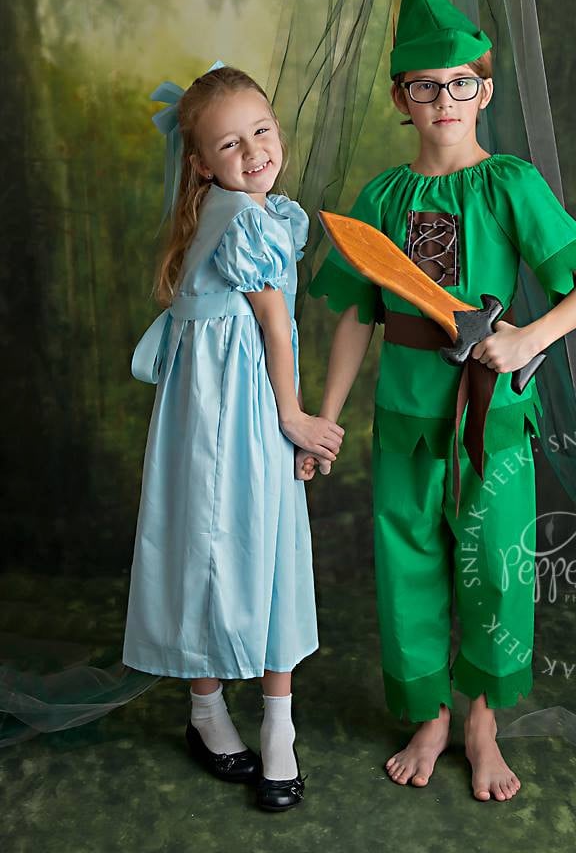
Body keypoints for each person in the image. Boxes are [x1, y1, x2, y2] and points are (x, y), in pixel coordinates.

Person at [304, 0, 576, 803]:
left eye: (459, 84)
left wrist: (528, 340)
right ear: (401, 99)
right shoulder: (381, 197)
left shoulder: (509, 184)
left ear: (485, 92)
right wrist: (324, 418)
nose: (443, 100)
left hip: (492, 417)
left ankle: (480, 722)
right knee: (407, 566)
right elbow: (356, 315)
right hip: (405, 416)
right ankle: (431, 716)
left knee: (495, 570)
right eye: (424, 86)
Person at [122, 63, 344, 812]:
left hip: (243, 410)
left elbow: (276, 329)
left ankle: (278, 728)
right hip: (216, 414)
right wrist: (296, 417)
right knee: (201, 548)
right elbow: (275, 325)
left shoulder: (257, 212)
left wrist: (284, 417)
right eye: (229, 144)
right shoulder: (237, 217)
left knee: (267, 547)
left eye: (262, 131)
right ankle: (208, 711)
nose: (253, 151)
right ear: (200, 164)